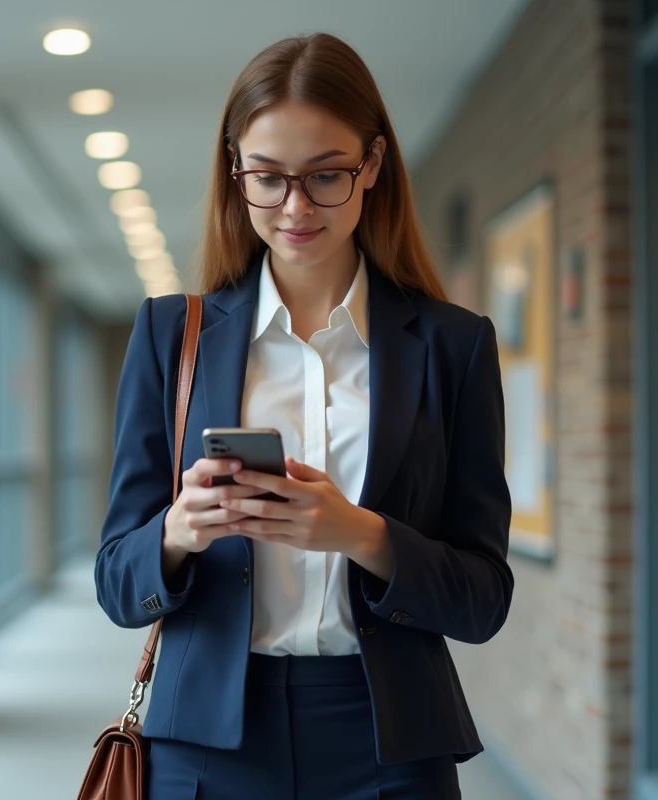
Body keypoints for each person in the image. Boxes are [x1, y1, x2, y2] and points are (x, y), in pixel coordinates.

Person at [95, 32, 513, 800]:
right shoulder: (170, 336)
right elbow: (117, 583)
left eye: (326, 176)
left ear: (374, 165)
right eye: (268, 177)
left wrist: (360, 534)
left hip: (388, 741)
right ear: (235, 170)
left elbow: (484, 598)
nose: (295, 207)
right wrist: (179, 530)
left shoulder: (453, 346)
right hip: (207, 741)